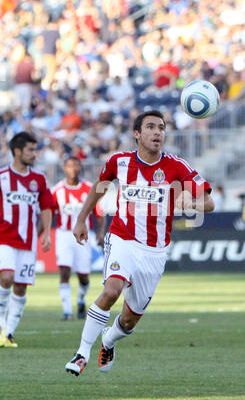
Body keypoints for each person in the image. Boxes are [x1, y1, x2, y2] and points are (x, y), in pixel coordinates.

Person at [65, 109, 214, 376]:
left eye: (161, 128)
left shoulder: (176, 166)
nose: (158, 132)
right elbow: (99, 187)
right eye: (151, 127)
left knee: (129, 320)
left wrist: (187, 201)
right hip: (122, 238)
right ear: (137, 134)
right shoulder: (119, 161)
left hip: (155, 251)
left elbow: (209, 201)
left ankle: (108, 341)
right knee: (111, 290)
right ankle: (81, 354)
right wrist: (81, 219)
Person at [0, 132, 53, 348]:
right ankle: (0, 327)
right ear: (17, 151)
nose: (34, 154)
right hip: (4, 238)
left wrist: (47, 233)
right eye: (30, 150)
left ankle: (9, 333)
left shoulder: (39, 179)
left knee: (21, 288)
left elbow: (47, 207)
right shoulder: (2, 177)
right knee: (7, 277)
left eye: (35, 149)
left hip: (29, 242)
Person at [51, 156, 106, 320]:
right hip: (63, 234)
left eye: (76, 165)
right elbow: (48, 212)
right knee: (64, 272)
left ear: (80, 168)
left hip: (83, 235)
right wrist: (45, 232)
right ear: (64, 168)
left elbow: (99, 214)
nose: (73, 168)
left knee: (83, 277)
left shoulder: (89, 188)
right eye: (69, 165)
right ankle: (67, 312)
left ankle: (81, 300)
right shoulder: (57, 190)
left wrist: (100, 232)